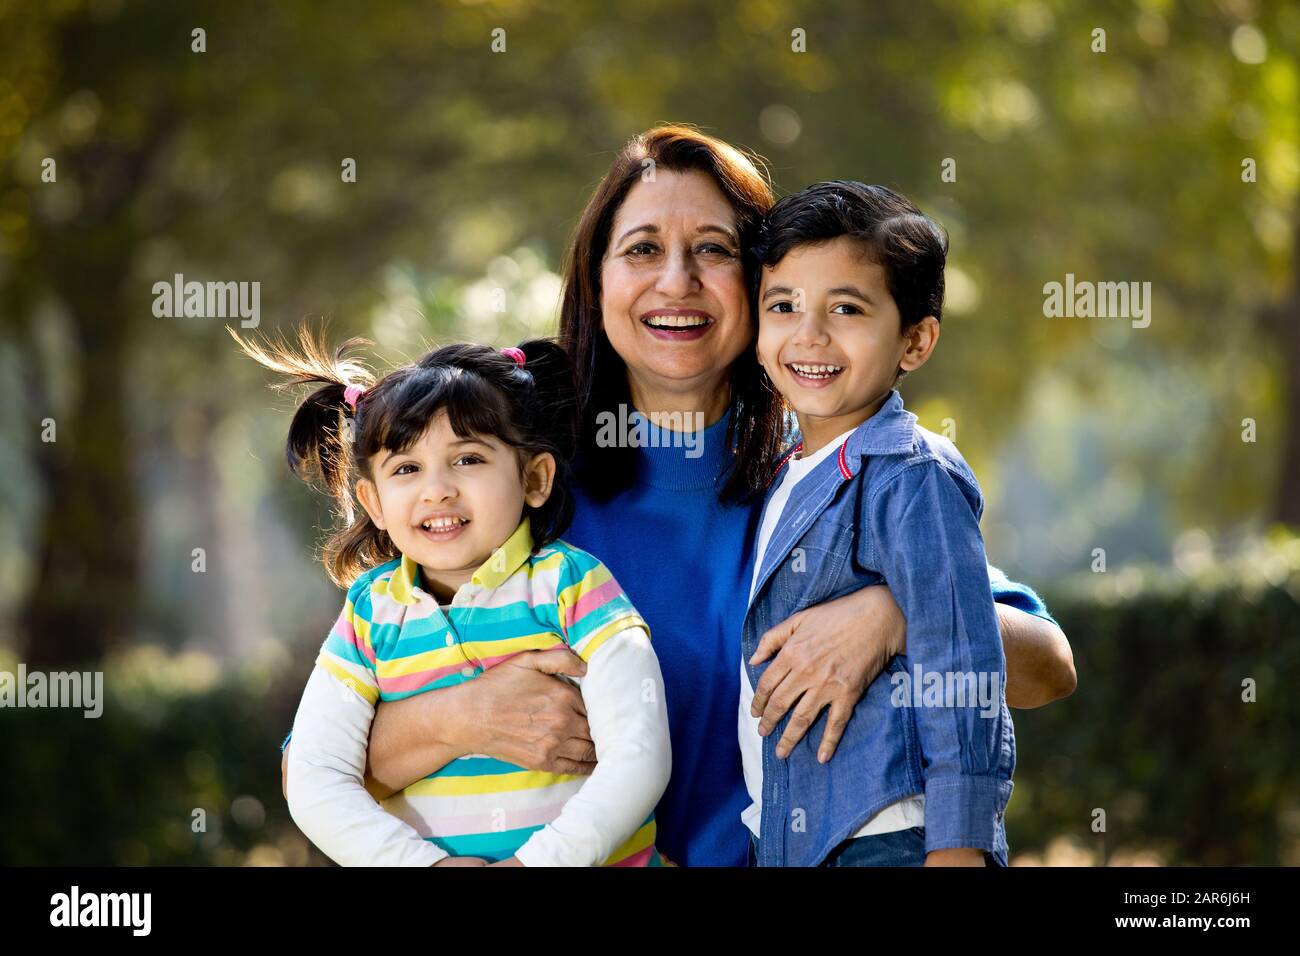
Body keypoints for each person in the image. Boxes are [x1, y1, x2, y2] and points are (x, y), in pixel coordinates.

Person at [285, 125, 1077, 868]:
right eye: (642, 249)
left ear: (765, 283)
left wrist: (895, 615)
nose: (677, 281)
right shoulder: (516, 494)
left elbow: (1047, 666)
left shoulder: (831, 475)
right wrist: (459, 719)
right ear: (596, 283)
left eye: (713, 249)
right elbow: (309, 767)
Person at [242, 330, 671, 865]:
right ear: (373, 502)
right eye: (406, 468)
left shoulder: (573, 586)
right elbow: (314, 777)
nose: (437, 488)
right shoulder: (370, 615)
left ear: (534, 478)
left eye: (468, 459)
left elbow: (641, 756)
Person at [744, 180, 1024, 867]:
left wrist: (959, 848)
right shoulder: (770, 470)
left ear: (915, 341)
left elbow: (962, 666)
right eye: (783, 306)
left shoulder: (911, 474)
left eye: (847, 308)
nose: (809, 334)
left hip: (886, 838)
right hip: (788, 839)